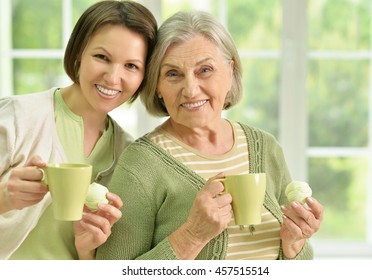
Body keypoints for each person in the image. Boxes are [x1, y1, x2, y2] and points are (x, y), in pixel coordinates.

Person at [96, 10, 323, 260]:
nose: (191, 90)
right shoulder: (140, 165)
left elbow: (298, 261)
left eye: (205, 70)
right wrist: (191, 235)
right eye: (173, 74)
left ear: (230, 71)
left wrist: (295, 244)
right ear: (157, 87)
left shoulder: (265, 147)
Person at [0, 0, 157, 260]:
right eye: (102, 57)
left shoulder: (128, 154)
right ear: (78, 53)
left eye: (131, 66)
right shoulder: (18, 118)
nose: (112, 77)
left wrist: (89, 250)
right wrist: (4, 197)